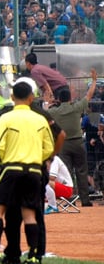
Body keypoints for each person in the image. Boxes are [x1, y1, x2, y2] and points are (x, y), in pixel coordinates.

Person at [0, 81, 54, 264]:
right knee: (29, 214)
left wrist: (7, 159)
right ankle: (32, 256)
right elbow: (49, 148)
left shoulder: (6, 118)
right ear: (31, 98)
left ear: (12, 97)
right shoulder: (40, 120)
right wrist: (37, 158)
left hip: (11, 168)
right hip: (34, 171)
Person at [47, 68, 97, 207]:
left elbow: (45, 112)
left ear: (59, 99)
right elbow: (89, 95)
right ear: (70, 98)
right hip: (78, 142)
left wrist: (48, 101)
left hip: (63, 144)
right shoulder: (76, 107)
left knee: (66, 172)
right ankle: (85, 200)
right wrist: (93, 81)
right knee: (82, 170)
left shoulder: (54, 111)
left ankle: (69, 199)